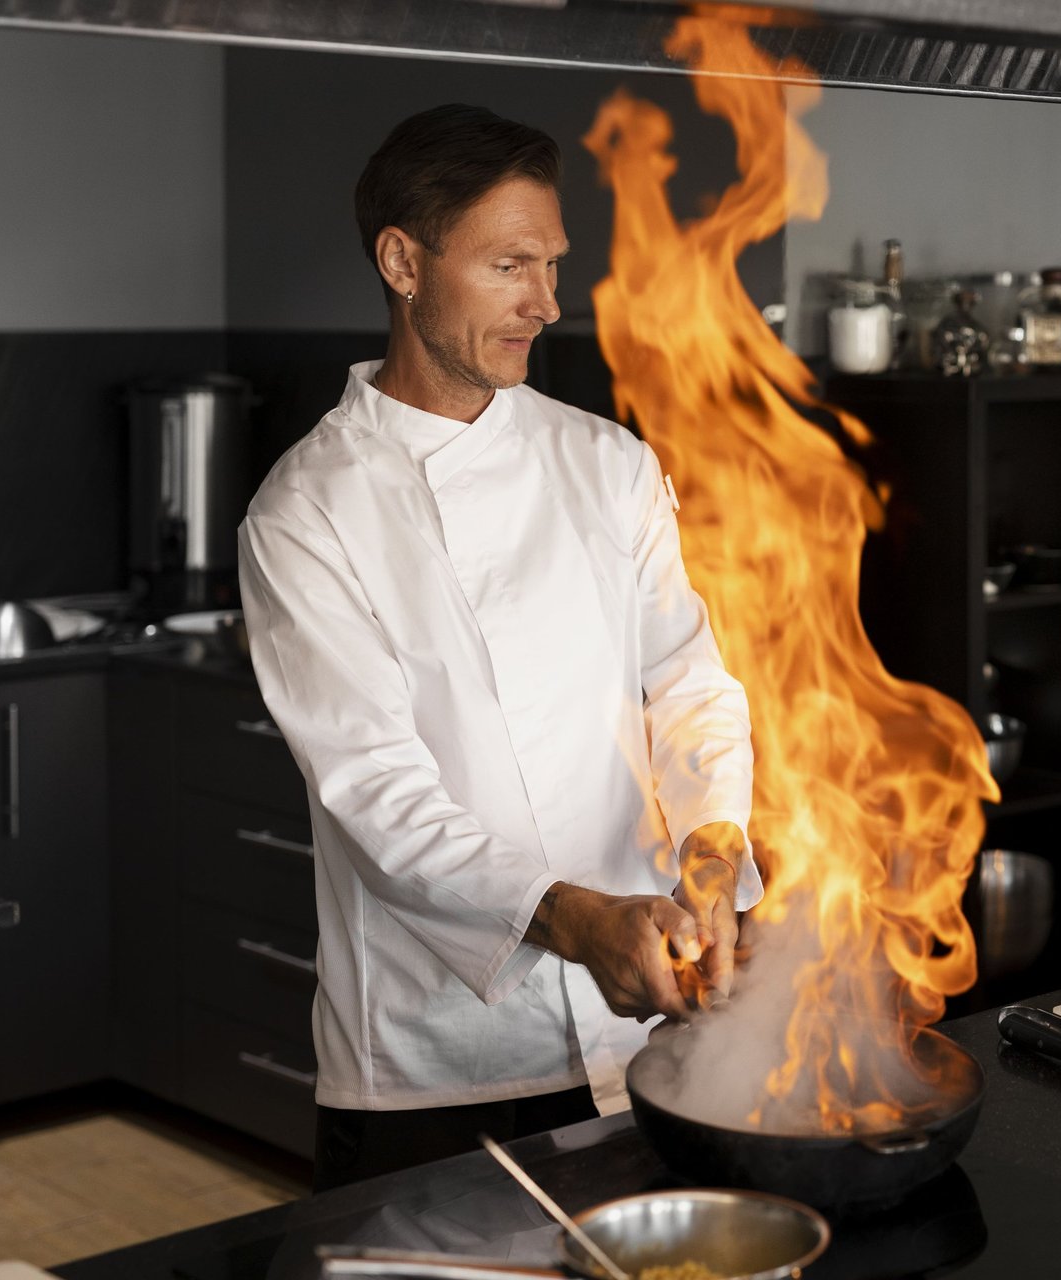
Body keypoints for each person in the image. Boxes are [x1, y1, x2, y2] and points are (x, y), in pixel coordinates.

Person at [237, 103, 759, 1191]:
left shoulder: (606, 462)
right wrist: (573, 919)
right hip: (435, 1070)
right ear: (403, 262)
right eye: (510, 264)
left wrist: (713, 837)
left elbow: (685, 681)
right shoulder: (308, 513)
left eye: (553, 264)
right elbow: (379, 797)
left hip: (643, 1032)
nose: (547, 302)